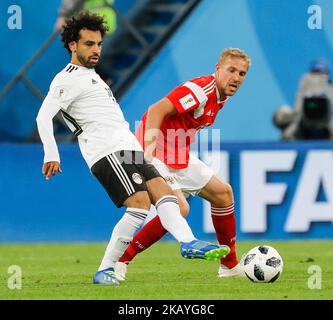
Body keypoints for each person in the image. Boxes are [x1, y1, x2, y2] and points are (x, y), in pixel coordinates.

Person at [36, 12, 230, 285]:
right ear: (72, 45)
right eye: (89, 44)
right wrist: (51, 152)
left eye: (99, 44)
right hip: (106, 151)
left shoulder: (92, 77)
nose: (96, 50)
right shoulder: (66, 78)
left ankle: (188, 243)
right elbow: (43, 117)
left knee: (164, 191)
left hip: (129, 146)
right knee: (139, 204)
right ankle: (106, 268)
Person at [115, 48, 251, 281]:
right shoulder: (200, 90)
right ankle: (120, 261)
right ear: (218, 70)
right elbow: (156, 110)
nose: (236, 78)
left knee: (223, 194)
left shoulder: (222, 97)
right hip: (154, 150)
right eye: (231, 70)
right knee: (180, 208)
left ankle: (229, 266)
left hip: (177, 154)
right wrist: (147, 151)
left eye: (242, 73)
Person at [274, 59, 333, 140]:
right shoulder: (302, 92)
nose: (317, 76)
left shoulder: (302, 92)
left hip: (301, 134)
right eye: (316, 72)